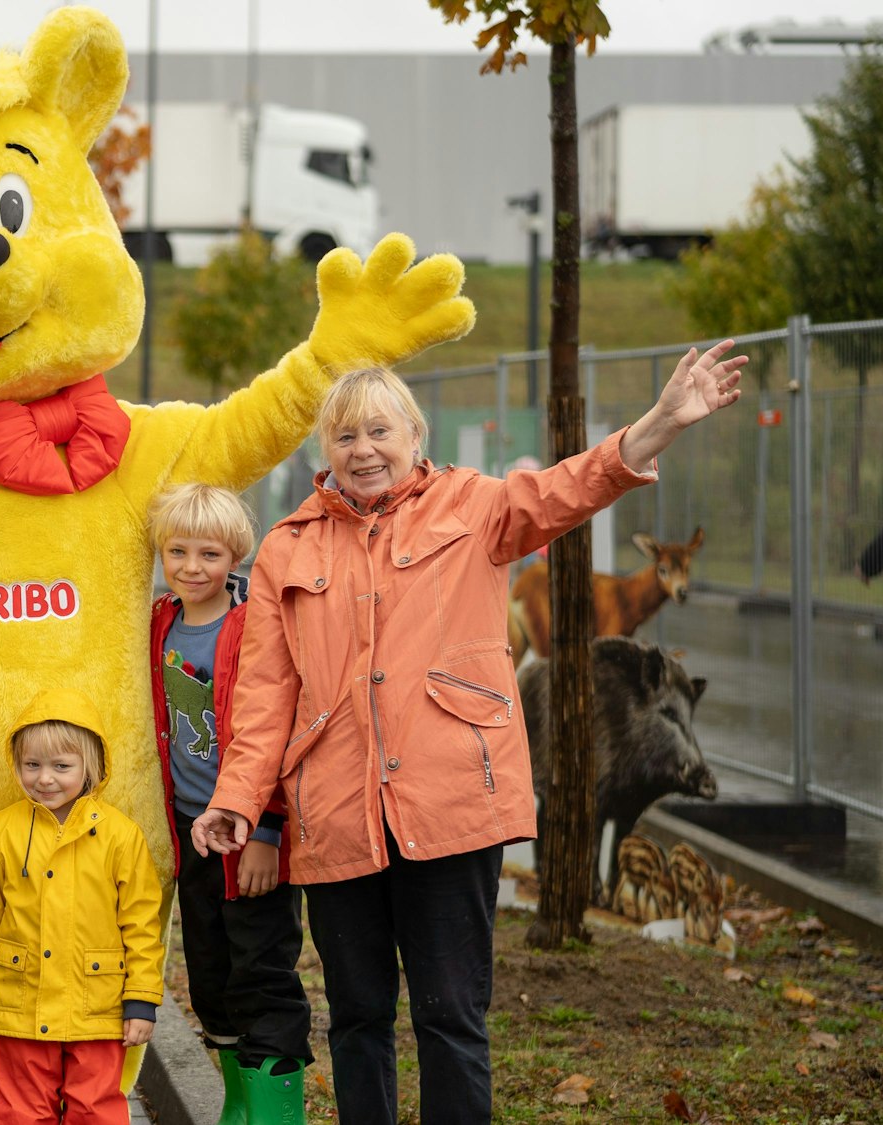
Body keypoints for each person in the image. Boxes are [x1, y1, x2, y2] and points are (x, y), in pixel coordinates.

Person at [191, 344, 749, 1123]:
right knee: (356, 1019)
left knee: (450, 1016)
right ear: (327, 449)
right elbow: (263, 694)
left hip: (452, 808)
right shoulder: (290, 544)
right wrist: (238, 799)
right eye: (345, 436)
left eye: (379, 431)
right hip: (338, 816)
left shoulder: (474, 506)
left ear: (414, 435)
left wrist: (661, 422)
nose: (363, 450)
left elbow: (570, 486)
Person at [145, 484, 311, 1124]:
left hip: (249, 832)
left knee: (262, 973)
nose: (191, 567)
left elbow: (278, 729)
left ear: (235, 556)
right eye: (177, 552)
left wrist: (267, 830)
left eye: (209, 554)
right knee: (211, 974)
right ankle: (239, 1108)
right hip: (192, 830)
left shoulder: (251, 626)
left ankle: (276, 1116)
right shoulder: (161, 622)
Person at [0, 688, 162, 1125]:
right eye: (32, 765)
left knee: (95, 1110)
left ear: (90, 765)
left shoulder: (120, 835)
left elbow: (141, 922)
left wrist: (141, 999)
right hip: (18, 1002)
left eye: (61, 766)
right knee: (17, 1111)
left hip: (97, 1005)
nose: (45, 779)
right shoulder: (3, 829)